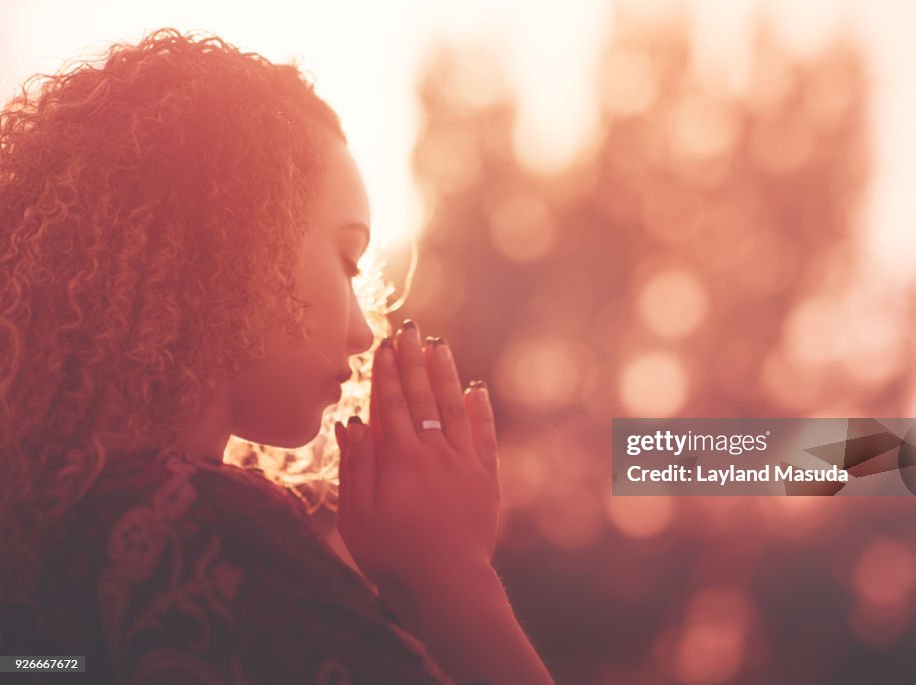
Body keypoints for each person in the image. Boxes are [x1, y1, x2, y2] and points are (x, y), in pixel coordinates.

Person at [0, 28, 556, 685]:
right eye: (347, 259)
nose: (361, 332)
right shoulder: (212, 531)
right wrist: (456, 576)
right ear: (240, 238)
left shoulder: (47, 516)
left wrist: (408, 597)